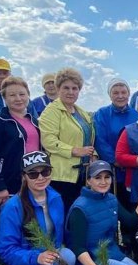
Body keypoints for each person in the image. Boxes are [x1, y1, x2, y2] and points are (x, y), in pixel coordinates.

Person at [0, 151, 81, 265]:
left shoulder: (55, 198)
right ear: (24, 176)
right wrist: (36, 257)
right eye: (33, 174)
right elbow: (5, 250)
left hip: (46, 256)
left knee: (68, 255)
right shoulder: (12, 207)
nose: (40, 177)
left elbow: (58, 236)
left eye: (45, 172)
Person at [0, 76, 40, 216]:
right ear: (4, 98)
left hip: (30, 183)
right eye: (12, 95)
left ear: (28, 96)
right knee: (6, 226)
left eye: (22, 94)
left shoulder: (34, 121)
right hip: (6, 186)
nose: (18, 98)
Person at [39, 67, 96, 214]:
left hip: (82, 174)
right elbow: (48, 140)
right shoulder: (51, 111)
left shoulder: (81, 112)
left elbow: (87, 136)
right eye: (66, 88)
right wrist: (74, 150)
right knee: (63, 216)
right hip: (62, 176)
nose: (71, 92)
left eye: (75, 88)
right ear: (58, 89)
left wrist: (93, 153)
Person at [93, 78, 138, 205]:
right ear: (110, 95)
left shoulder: (137, 116)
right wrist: (116, 160)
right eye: (116, 93)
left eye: (123, 92)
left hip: (132, 171)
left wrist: (132, 160)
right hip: (111, 170)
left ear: (129, 94)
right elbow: (100, 139)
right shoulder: (102, 114)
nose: (120, 96)